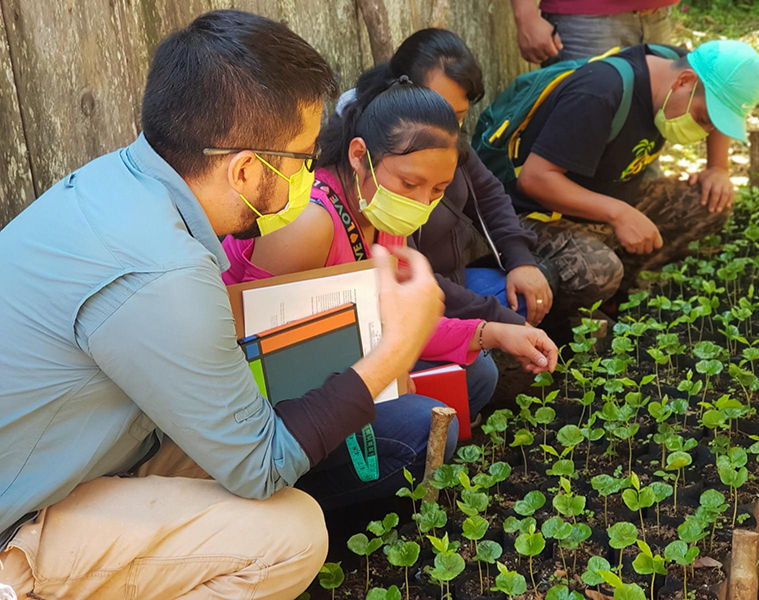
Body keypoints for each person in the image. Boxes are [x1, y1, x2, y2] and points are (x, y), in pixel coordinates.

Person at [0, 10, 446, 600]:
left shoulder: (120, 183)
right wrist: (394, 351)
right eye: (303, 158)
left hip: (88, 448)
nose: (311, 176)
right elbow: (258, 467)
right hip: (19, 517)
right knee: (290, 535)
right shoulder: (162, 267)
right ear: (244, 168)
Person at [223, 78, 558, 442]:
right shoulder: (309, 223)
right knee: (422, 426)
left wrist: (492, 332)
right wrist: (383, 377)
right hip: (259, 404)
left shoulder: (382, 216)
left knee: (477, 374)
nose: (421, 202)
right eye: (409, 184)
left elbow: (395, 323)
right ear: (358, 156)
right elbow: (254, 349)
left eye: (438, 190)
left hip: (340, 364)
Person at [343, 29, 625, 324]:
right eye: (439, 110)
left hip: (457, 279)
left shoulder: (449, 139)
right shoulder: (375, 168)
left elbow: (489, 194)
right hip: (415, 297)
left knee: (539, 287)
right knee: (499, 333)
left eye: (458, 115)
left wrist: (520, 260)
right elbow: (409, 275)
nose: (447, 127)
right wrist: (494, 322)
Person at [483, 40, 759, 297]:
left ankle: (621, 294)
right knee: (598, 269)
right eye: (703, 119)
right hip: (537, 214)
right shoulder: (599, 93)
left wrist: (718, 168)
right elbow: (534, 181)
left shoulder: (679, 65)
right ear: (684, 81)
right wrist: (619, 214)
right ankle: (564, 326)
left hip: (610, 197)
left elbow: (713, 100)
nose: (705, 131)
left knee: (709, 202)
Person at [510, 0, 678, 65]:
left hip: (658, 16)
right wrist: (525, 13)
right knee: (581, 129)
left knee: (644, 133)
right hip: (584, 21)